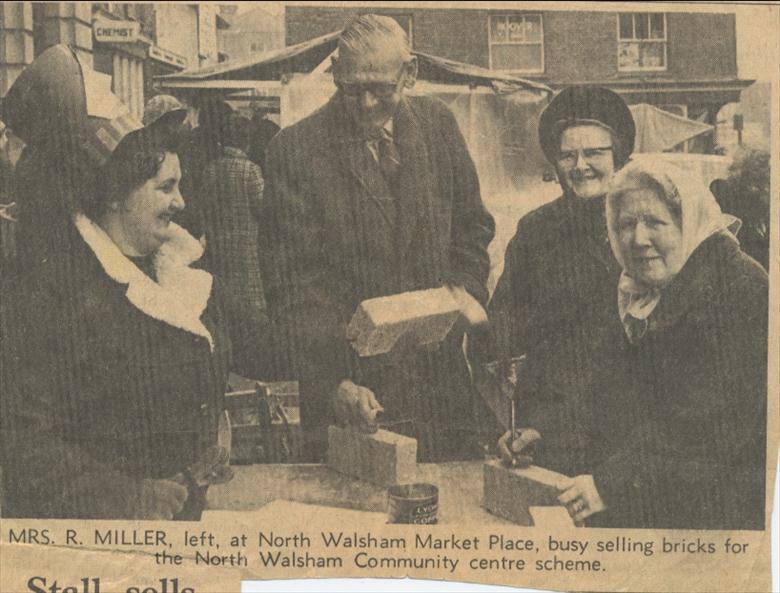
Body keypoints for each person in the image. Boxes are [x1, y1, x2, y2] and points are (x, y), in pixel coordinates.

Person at [1, 47, 232, 520]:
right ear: (117, 197)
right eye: (165, 188)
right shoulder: (49, 297)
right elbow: (23, 445)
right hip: (99, 543)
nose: (181, 203)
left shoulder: (172, 268)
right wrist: (127, 496)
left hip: (180, 523)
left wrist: (212, 426)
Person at [260, 14, 495, 461]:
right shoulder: (294, 151)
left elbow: (472, 228)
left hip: (440, 389)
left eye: (380, 89)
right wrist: (333, 382)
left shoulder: (438, 126)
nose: (366, 103)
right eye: (351, 88)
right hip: (351, 397)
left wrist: (465, 291)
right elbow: (290, 287)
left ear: (410, 75)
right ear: (334, 74)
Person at [531, 156, 767, 529]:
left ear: (688, 222)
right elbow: (606, 397)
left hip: (718, 518)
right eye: (626, 224)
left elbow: (707, 435)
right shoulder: (639, 291)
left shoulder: (739, 291)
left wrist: (609, 486)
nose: (638, 240)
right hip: (655, 501)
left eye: (655, 222)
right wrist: (545, 435)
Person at [484, 86, 635, 476]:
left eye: (595, 153)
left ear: (618, 157)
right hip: (549, 423)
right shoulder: (535, 230)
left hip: (626, 418)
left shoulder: (639, 223)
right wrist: (502, 357)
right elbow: (505, 313)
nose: (581, 165)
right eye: (568, 155)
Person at [200, 112, 269, 377]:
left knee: (226, 304)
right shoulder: (250, 171)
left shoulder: (210, 170)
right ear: (246, 141)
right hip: (246, 249)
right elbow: (264, 208)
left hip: (218, 249)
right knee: (249, 306)